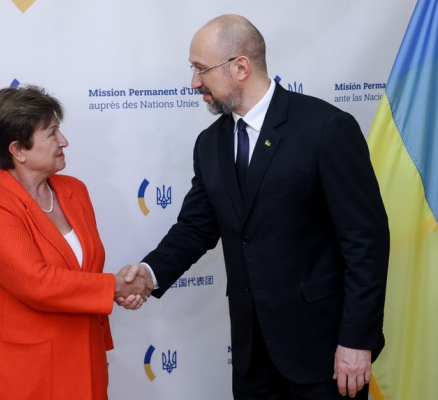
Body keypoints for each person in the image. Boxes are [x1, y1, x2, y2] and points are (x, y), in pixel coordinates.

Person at [118, 14, 389, 399]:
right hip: (252, 360)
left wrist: (357, 340)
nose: (194, 83)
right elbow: (196, 227)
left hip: (324, 353)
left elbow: (366, 243)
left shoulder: (325, 128)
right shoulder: (210, 143)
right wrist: (148, 273)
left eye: (200, 69)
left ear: (240, 67)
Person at [0, 85, 151, 400]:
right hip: (15, 368)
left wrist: (121, 288)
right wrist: (115, 287)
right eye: (52, 133)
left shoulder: (74, 190)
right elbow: (36, 282)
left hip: (79, 352)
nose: (64, 141)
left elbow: (81, 273)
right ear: (18, 150)